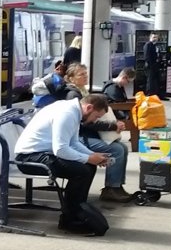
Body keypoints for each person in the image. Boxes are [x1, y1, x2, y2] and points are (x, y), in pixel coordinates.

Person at [12, 93, 132, 235]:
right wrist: (88, 158)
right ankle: (71, 217)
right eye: (96, 116)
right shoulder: (67, 114)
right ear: (89, 107)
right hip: (29, 158)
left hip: (41, 154)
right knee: (81, 171)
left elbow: (74, 142)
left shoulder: (73, 111)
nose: (95, 120)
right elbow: (61, 149)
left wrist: (91, 156)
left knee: (88, 167)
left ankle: (75, 214)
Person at [141, 32, 167, 97]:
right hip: (150, 66)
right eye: (153, 37)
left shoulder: (155, 45)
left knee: (156, 80)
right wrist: (151, 64)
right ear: (150, 38)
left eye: (156, 37)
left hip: (156, 65)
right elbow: (146, 56)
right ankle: (149, 94)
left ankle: (157, 94)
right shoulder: (148, 45)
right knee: (150, 81)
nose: (155, 39)